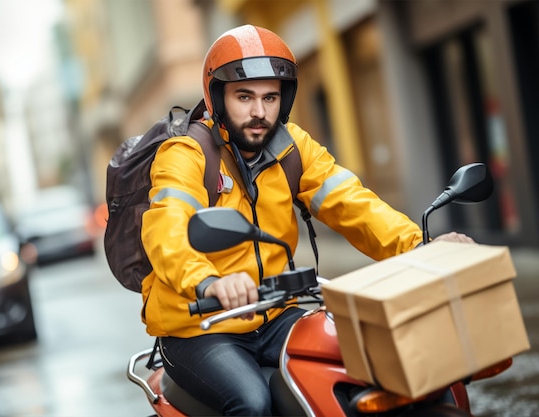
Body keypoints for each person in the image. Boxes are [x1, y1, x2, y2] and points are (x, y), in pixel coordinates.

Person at [140, 24, 473, 416]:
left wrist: (421, 248)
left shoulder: (294, 148)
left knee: (368, 363)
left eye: (270, 97)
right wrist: (209, 282)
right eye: (244, 97)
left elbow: (353, 203)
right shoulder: (185, 154)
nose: (259, 112)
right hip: (201, 327)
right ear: (217, 97)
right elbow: (168, 231)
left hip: (278, 314)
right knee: (252, 402)